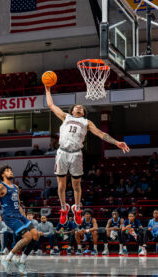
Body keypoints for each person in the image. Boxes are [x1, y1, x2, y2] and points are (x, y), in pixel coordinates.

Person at [45, 84, 130, 225]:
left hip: (76, 154)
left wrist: (116, 143)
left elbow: (101, 134)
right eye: (76, 106)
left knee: (76, 185)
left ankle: (77, 208)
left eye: (81, 107)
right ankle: (63, 207)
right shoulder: (65, 117)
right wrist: (48, 90)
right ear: (72, 110)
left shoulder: (86, 122)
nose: (79, 107)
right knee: (61, 186)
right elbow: (51, 105)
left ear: (84, 113)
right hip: (62, 152)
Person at [0, 165, 39, 274]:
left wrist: (24, 216)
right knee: (27, 237)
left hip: (19, 215)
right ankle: (7, 259)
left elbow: (18, 203)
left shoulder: (16, 187)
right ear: (3, 174)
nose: (11, 172)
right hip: (9, 216)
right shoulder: (0, 187)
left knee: (35, 235)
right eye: (7, 171)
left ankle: (22, 261)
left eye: (11, 170)